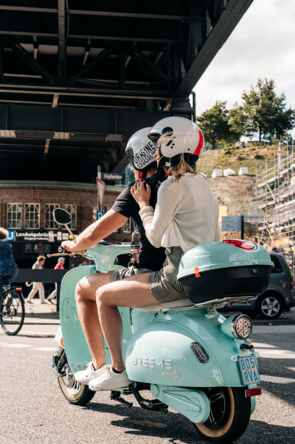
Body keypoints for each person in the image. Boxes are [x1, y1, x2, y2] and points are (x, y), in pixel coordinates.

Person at [88, 117, 221, 391]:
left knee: (102, 295)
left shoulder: (173, 186)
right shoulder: (204, 184)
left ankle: (117, 370)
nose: (156, 153)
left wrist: (144, 204)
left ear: (173, 146)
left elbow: (154, 237)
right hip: (203, 274)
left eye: (159, 145)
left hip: (175, 277)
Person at [61, 127, 167, 384]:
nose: (131, 167)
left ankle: (101, 366)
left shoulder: (140, 189)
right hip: (177, 268)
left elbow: (95, 233)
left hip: (149, 272)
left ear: (142, 157)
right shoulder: (175, 185)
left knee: (83, 288)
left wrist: (74, 245)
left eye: (132, 160)